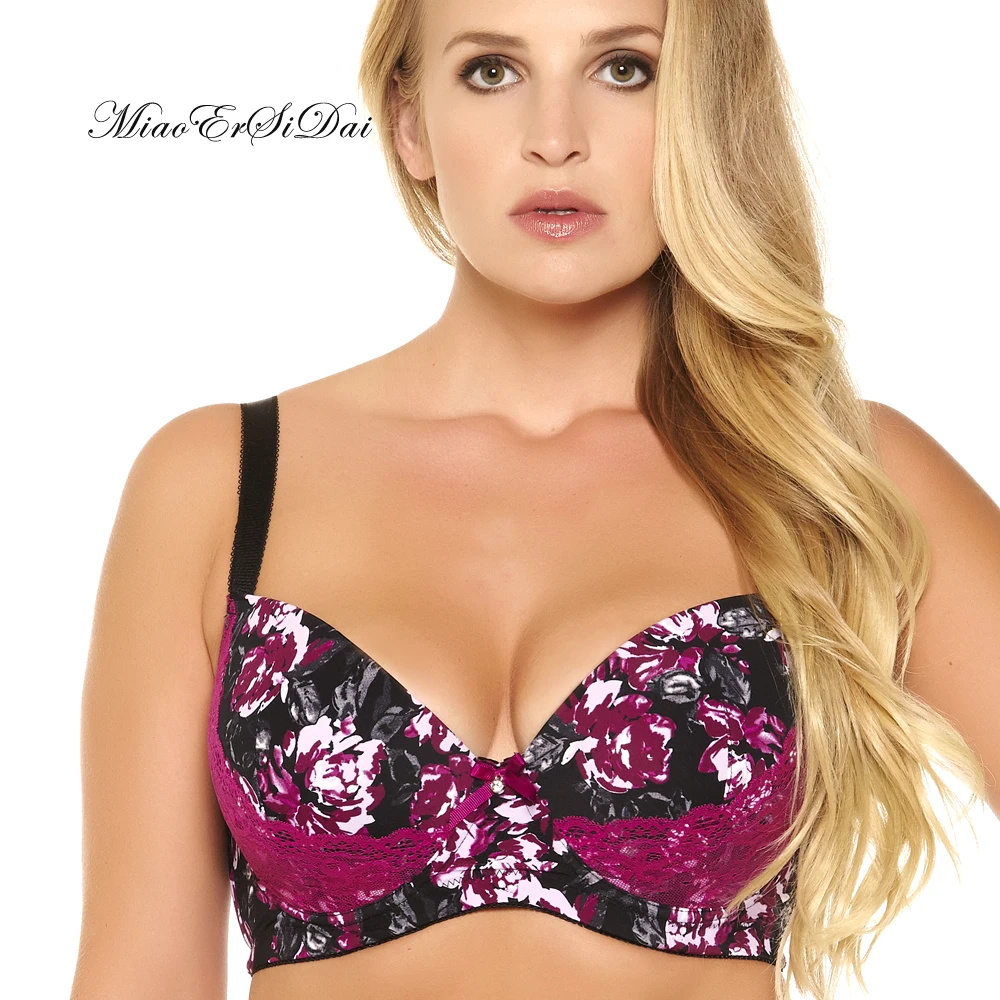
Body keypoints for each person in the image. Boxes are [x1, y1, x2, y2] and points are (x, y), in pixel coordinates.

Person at [69, 1, 998, 999]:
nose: (555, 138)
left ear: (707, 108)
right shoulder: (221, 480)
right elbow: (139, 973)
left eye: (625, 70)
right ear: (410, 123)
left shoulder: (841, 477)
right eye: (491, 71)